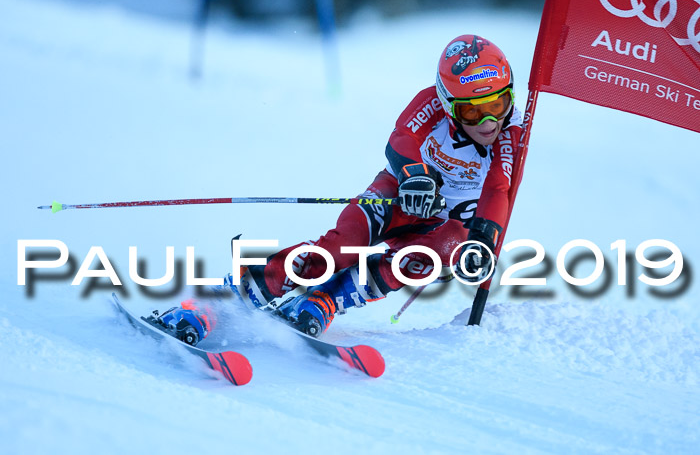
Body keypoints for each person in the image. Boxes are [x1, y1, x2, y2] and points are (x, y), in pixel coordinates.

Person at [155, 34, 523, 344]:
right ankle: (220, 299)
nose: (489, 120)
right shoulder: (430, 102)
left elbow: (497, 189)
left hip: (444, 226)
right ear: (447, 103)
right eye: (472, 112)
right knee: (334, 251)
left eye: (498, 103)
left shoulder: (511, 133)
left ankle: (324, 301)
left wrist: (483, 238)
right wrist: (415, 175)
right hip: (399, 196)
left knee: (419, 261)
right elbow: (402, 137)